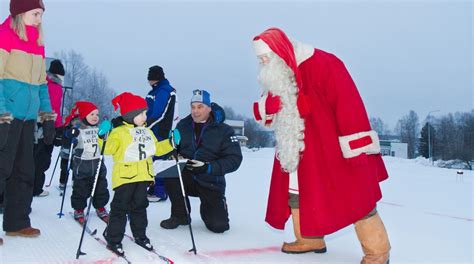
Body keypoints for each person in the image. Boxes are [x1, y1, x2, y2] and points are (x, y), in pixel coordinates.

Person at [251, 28, 391, 263]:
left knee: (357, 197)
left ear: (281, 50)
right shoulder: (277, 74)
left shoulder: (324, 63)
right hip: (294, 147)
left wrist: (355, 146)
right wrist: (269, 106)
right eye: (260, 59)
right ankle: (310, 239)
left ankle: (378, 252)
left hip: (330, 148)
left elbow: (349, 104)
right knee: (295, 194)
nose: (263, 62)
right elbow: (264, 115)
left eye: (266, 57)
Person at [0, 0, 54, 244]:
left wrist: (48, 117)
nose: (39, 19)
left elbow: (42, 85)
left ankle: (17, 222)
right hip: (8, 117)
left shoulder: (38, 43)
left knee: (24, 171)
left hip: (28, 119)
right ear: (20, 13)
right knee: (2, 169)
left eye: (41, 14)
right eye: (35, 13)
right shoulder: (4, 35)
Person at [103, 92, 177, 256]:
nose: (146, 116)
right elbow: (107, 149)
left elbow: (156, 149)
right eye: (142, 113)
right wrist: (103, 136)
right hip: (125, 178)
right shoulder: (119, 132)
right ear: (130, 114)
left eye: (145, 112)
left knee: (139, 208)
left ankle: (140, 235)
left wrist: (171, 143)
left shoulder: (147, 132)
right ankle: (113, 238)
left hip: (143, 178)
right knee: (120, 209)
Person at [161, 89, 242, 233]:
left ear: (209, 108)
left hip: (211, 181)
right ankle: (181, 215)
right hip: (187, 177)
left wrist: (208, 167)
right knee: (171, 173)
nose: (195, 111)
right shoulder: (182, 126)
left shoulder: (224, 130)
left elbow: (234, 159)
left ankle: (211, 208)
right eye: (193, 107)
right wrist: (174, 155)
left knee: (219, 226)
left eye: (200, 107)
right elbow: (173, 148)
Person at [63, 101, 110, 224]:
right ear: (84, 115)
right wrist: (70, 134)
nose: (95, 117)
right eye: (92, 114)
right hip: (82, 166)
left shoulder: (99, 129)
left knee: (101, 188)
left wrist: (107, 132)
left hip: (99, 165)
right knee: (81, 189)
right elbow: (67, 139)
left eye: (97, 114)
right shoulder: (79, 129)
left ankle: (100, 207)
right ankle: (79, 209)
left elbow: (107, 141)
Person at [145, 65, 179, 202]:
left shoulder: (164, 91)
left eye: (150, 78)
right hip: (154, 131)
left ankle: (160, 192)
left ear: (155, 78)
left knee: (159, 160)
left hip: (160, 131)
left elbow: (160, 113)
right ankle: (153, 187)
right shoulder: (154, 91)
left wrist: (146, 126)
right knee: (152, 160)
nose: (148, 81)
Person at [32, 59, 65, 197]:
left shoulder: (41, 82)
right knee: (43, 158)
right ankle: (36, 188)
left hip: (35, 124)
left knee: (33, 156)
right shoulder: (55, 87)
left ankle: (29, 186)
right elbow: (54, 109)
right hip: (47, 126)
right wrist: (58, 128)